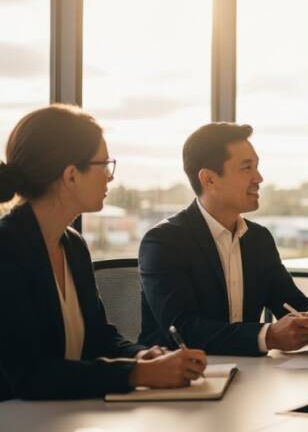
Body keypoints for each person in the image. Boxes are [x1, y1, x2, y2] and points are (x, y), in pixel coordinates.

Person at [0, 105, 207, 401]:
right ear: (72, 176)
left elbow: (99, 337)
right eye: (104, 165)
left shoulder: (72, 244)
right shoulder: (6, 249)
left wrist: (143, 356)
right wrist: (138, 374)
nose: (110, 178)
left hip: (64, 415)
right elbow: (29, 375)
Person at [138, 123, 308, 356]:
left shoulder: (258, 238)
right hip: (181, 379)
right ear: (208, 179)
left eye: (257, 167)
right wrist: (268, 336)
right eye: (246, 168)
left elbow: (291, 302)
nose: (259, 178)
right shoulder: (164, 242)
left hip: (249, 372)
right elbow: (183, 330)